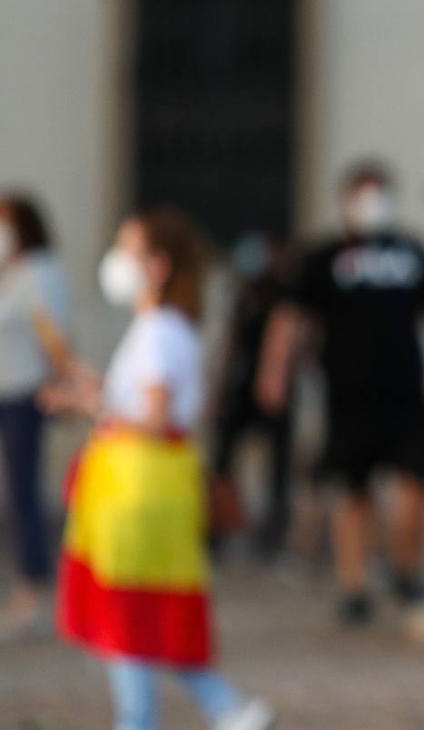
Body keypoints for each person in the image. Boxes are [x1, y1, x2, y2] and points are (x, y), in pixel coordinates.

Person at [49, 206, 274, 730]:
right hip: (142, 487)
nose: (116, 261)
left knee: (128, 617)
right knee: (144, 616)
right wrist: (95, 393)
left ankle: (156, 719)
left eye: (127, 249)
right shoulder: (159, 328)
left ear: (158, 265)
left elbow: (151, 419)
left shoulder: (161, 332)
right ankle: (228, 708)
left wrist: (93, 406)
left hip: (141, 492)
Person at [257, 161, 424, 625]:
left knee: (415, 484)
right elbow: (290, 317)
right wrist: (274, 373)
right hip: (348, 393)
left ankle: (406, 569)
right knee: (352, 491)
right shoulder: (324, 256)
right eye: (364, 194)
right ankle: (354, 583)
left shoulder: (410, 251)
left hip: (406, 391)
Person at [0, 193, 72, 639]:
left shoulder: (40, 273)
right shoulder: (10, 276)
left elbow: (54, 336)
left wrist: (63, 384)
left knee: (24, 493)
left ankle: (34, 588)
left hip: (24, 396)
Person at [208, 231, 295, 557]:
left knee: (278, 468)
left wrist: (273, 379)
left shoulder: (283, 294)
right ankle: (216, 529)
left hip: (274, 391)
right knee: (223, 461)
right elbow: (229, 344)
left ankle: (274, 535)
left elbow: (288, 337)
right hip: (239, 389)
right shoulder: (242, 295)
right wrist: (217, 388)